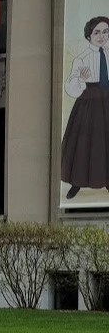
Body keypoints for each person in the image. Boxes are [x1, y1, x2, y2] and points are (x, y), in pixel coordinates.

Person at [60, 15, 109, 199]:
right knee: (85, 144)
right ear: (89, 35)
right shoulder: (82, 58)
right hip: (90, 102)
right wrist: (80, 79)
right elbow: (70, 85)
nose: (101, 36)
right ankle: (77, 182)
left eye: (105, 32)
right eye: (97, 32)